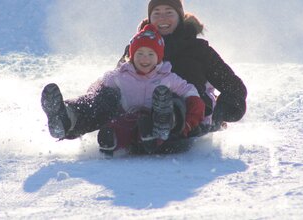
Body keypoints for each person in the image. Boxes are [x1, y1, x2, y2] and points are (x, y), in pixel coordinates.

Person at [41, 24, 205, 155]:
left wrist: (192, 118)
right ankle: (66, 117)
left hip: (157, 120)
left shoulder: (167, 77)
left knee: (171, 103)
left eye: (150, 54)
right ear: (132, 55)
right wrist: (93, 98)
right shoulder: (120, 74)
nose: (145, 59)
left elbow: (190, 92)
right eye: (139, 53)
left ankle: (165, 122)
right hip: (128, 119)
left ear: (159, 57)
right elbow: (97, 88)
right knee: (101, 105)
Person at [120, 0, 247, 134]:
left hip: (189, 119)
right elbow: (117, 79)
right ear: (150, 19)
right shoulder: (136, 50)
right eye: (156, 13)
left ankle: (171, 122)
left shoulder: (198, 50)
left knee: (175, 101)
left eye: (169, 13)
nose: (162, 18)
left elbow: (234, 87)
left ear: (179, 16)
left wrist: (219, 113)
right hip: (138, 113)